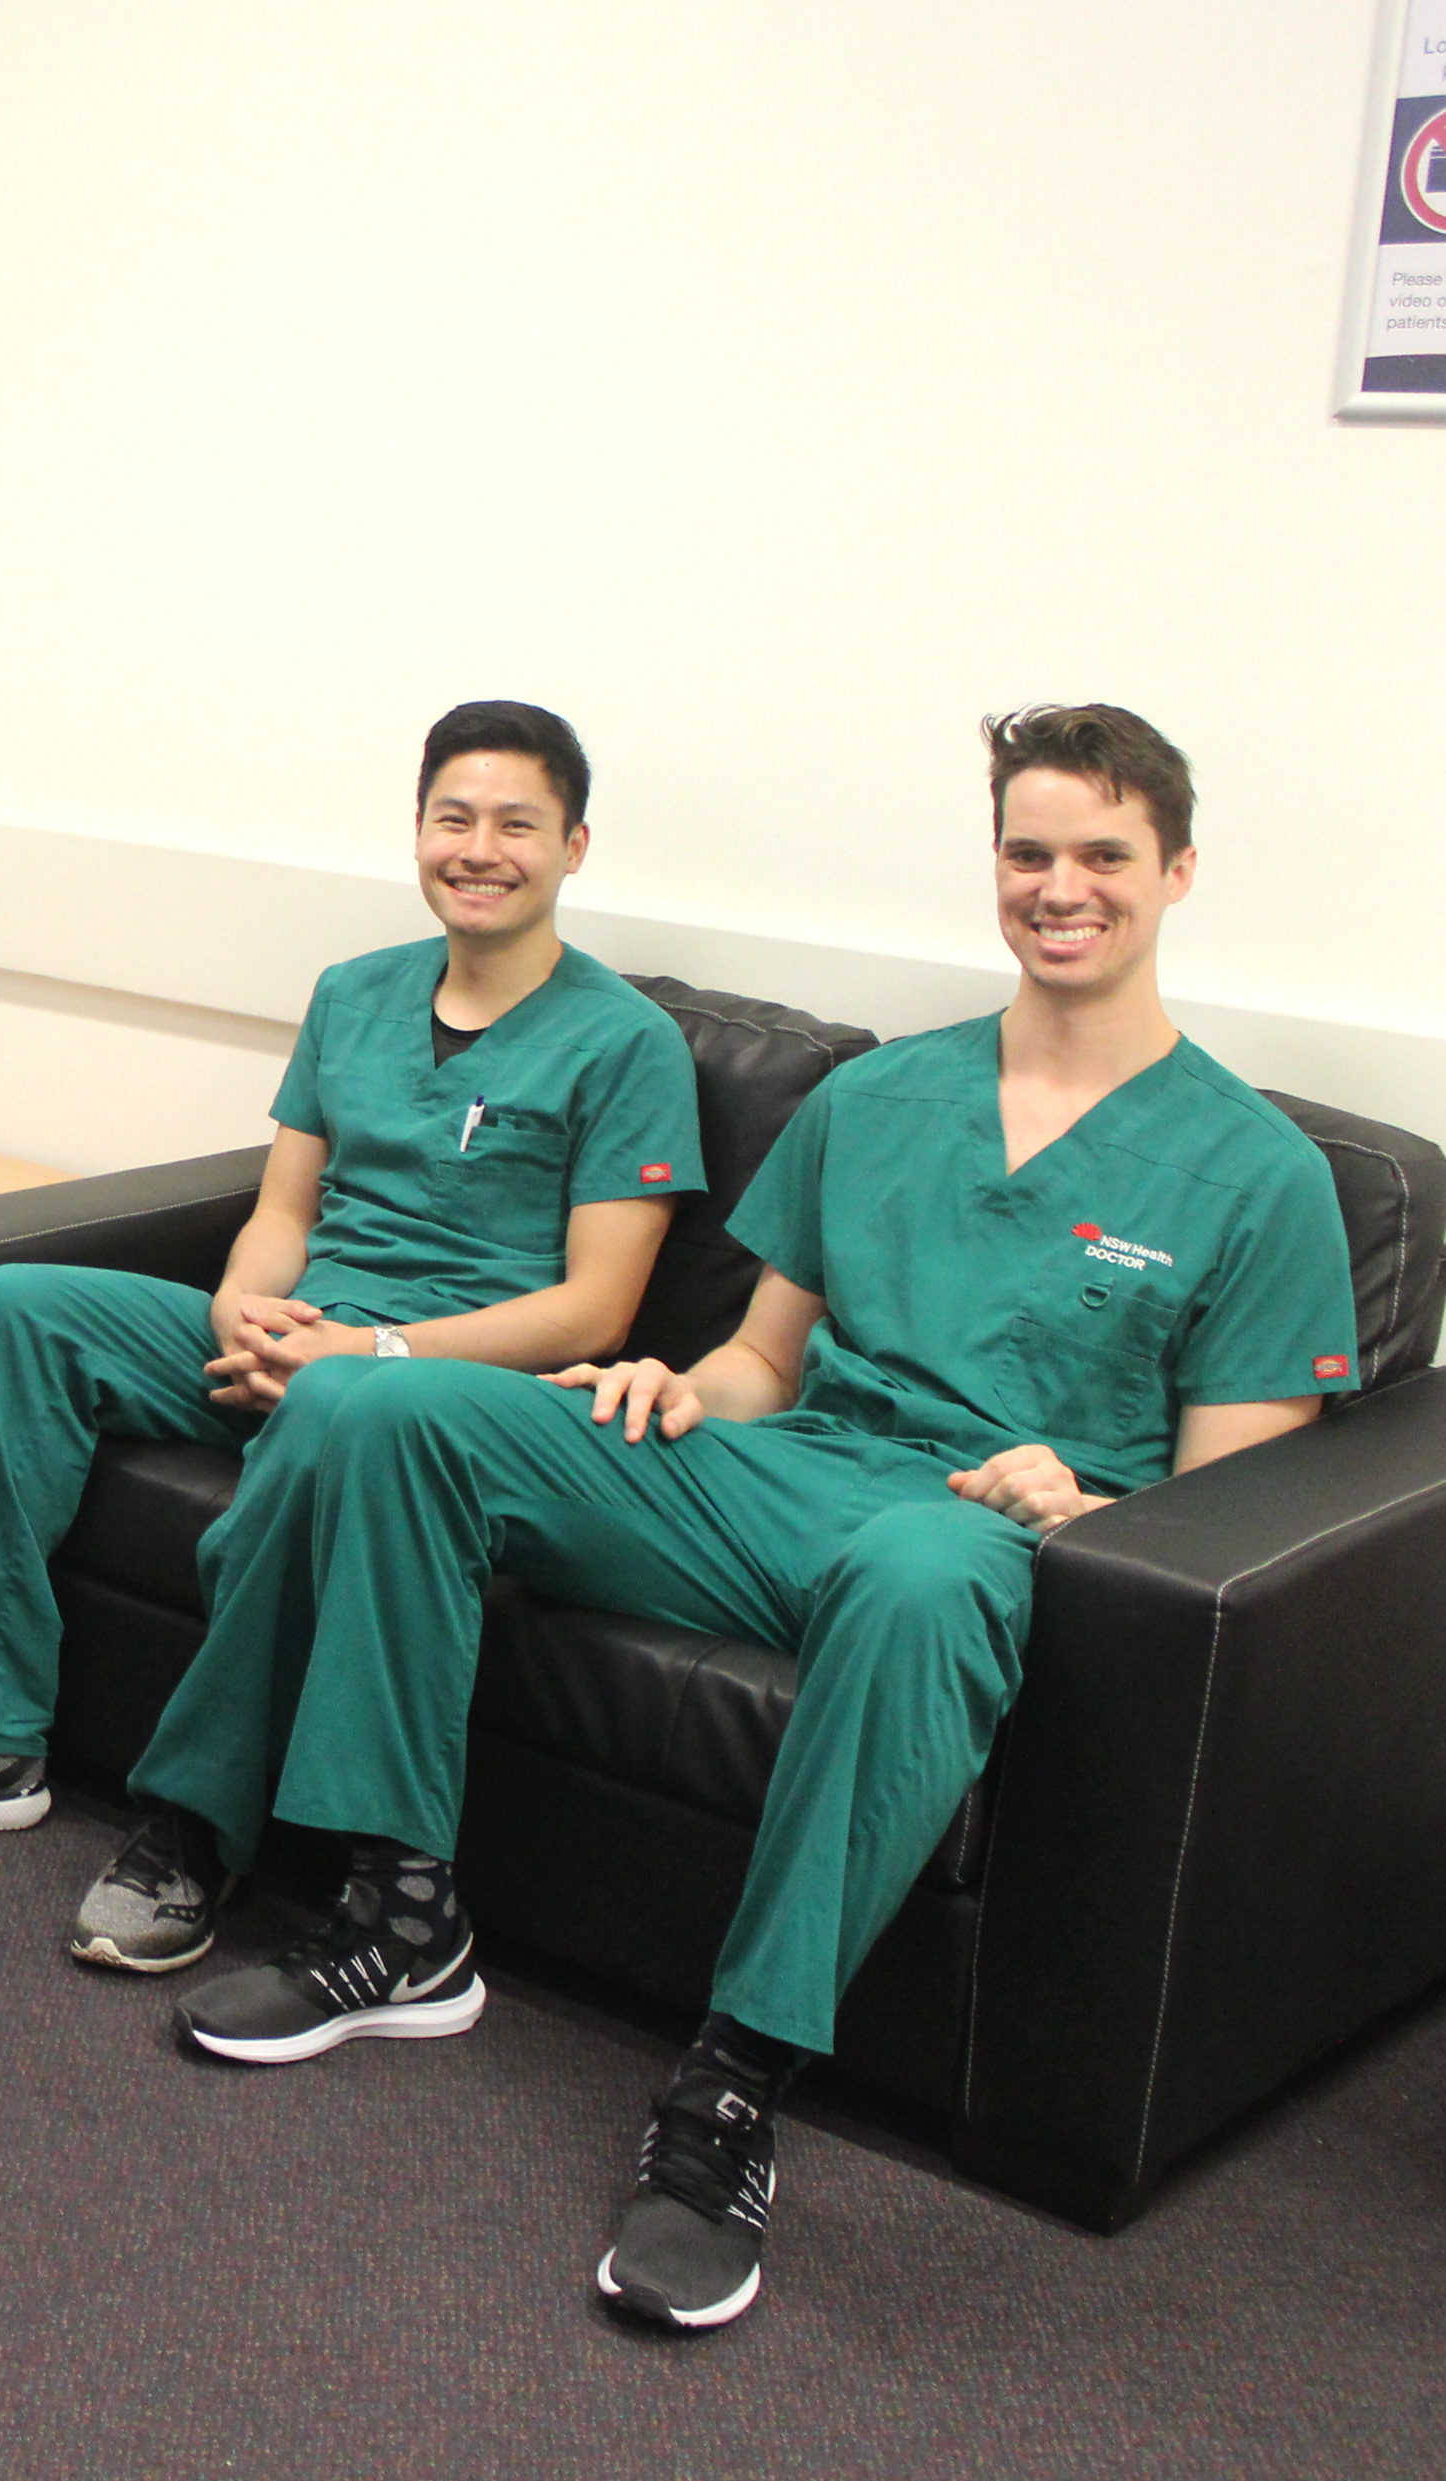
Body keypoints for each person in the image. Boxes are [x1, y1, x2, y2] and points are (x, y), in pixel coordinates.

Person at [149, 705, 1359, 2333]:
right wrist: (671, 1390)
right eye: (1028, 850)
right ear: (993, 865)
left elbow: (1235, 1499)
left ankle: (729, 2087)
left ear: (1175, 872)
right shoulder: (878, 1098)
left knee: (917, 1573)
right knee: (380, 1408)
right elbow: (757, 1359)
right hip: (779, 1474)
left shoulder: (1253, 1171)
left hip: (980, 1527)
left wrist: (1089, 1495)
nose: (1057, 886)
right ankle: (399, 1913)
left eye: (1101, 855)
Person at [0, 701, 706, 1978]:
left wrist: (365, 1361)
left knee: (331, 1417)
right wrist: (239, 1310)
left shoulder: (625, 1042)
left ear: (573, 847)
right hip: (304, 1336)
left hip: (448, 1388)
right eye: (452, 818)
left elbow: (593, 1310)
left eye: (515, 825)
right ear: (418, 832)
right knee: (17, 1308)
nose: (477, 849)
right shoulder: (353, 994)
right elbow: (281, 1211)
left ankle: (192, 1831)